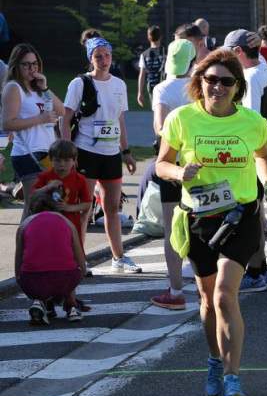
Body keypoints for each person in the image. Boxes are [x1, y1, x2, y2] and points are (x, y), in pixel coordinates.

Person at [156, 48, 267, 396]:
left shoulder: (251, 121)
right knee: (207, 299)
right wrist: (179, 172)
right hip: (198, 219)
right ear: (199, 82)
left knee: (225, 294)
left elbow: (264, 155)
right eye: (211, 80)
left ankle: (232, 376)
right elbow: (162, 164)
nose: (218, 87)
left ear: (237, 86)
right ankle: (213, 359)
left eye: (226, 81)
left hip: (240, 216)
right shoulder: (181, 119)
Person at [61, 35, 141, 273]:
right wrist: (69, 152)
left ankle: (119, 257)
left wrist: (126, 152)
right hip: (85, 151)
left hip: (111, 154)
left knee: (113, 208)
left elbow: (120, 119)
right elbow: (65, 119)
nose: (104, 60)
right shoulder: (80, 84)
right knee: (84, 208)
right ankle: (78, 260)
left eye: (107, 55)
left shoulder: (119, 84)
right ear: (90, 58)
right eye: (98, 56)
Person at [224, 29, 267, 293]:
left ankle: (255, 273)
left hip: (252, 154)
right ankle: (264, 270)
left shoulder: (249, 77)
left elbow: (250, 118)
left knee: (252, 216)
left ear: (238, 53)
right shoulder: (264, 68)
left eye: (228, 54)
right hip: (264, 149)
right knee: (255, 213)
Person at [148, 39, 196, 310]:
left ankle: (176, 291)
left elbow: (159, 126)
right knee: (202, 226)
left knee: (171, 229)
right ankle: (206, 288)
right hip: (201, 165)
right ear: (192, 62)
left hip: (170, 166)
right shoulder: (200, 86)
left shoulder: (163, 88)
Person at [1, 43, 64, 221]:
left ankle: (35, 245)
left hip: (47, 153)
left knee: (44, 204)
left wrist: (44, 87)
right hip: (27, 154)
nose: (32, 68)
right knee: (34, 204)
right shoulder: (14, 88)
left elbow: (62, 112)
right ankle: (23, 248)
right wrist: (40, 119)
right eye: (26, 64)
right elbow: (7, 123)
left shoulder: (37, 88)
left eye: (35, 64)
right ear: (16, 65)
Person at [31, 139, 92, 318]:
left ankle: (70, 301)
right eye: (57, 160)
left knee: (72, 264)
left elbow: (87, 204)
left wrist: (69, 208)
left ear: (74, 161)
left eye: (66, 160)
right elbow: (33, 195)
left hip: (70, 229)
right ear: (51, 160)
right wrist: (47, 187)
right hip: (48, 230)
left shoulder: (79, 179)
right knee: (50, 262)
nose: (62, 164)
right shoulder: (45, 177)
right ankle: (49, 300)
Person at [16, 191, 86, 324]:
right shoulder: (67, 222)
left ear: (30, 211)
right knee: (69, 266)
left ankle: (39, 301)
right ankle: (71, 306)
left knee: (38, 274)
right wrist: (79, 274)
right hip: (65, 281)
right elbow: (81, 263)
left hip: (32, 282)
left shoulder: (24, 225)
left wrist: (20, 281)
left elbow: (18, 263)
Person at [137, 25, 166, 108]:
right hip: (165, 85)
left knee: (156, 111)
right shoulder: (166, 52)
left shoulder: (144, 54)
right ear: (161, 37)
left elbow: (142, 75)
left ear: (149, 38)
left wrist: (140, 92)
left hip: (152, 86)